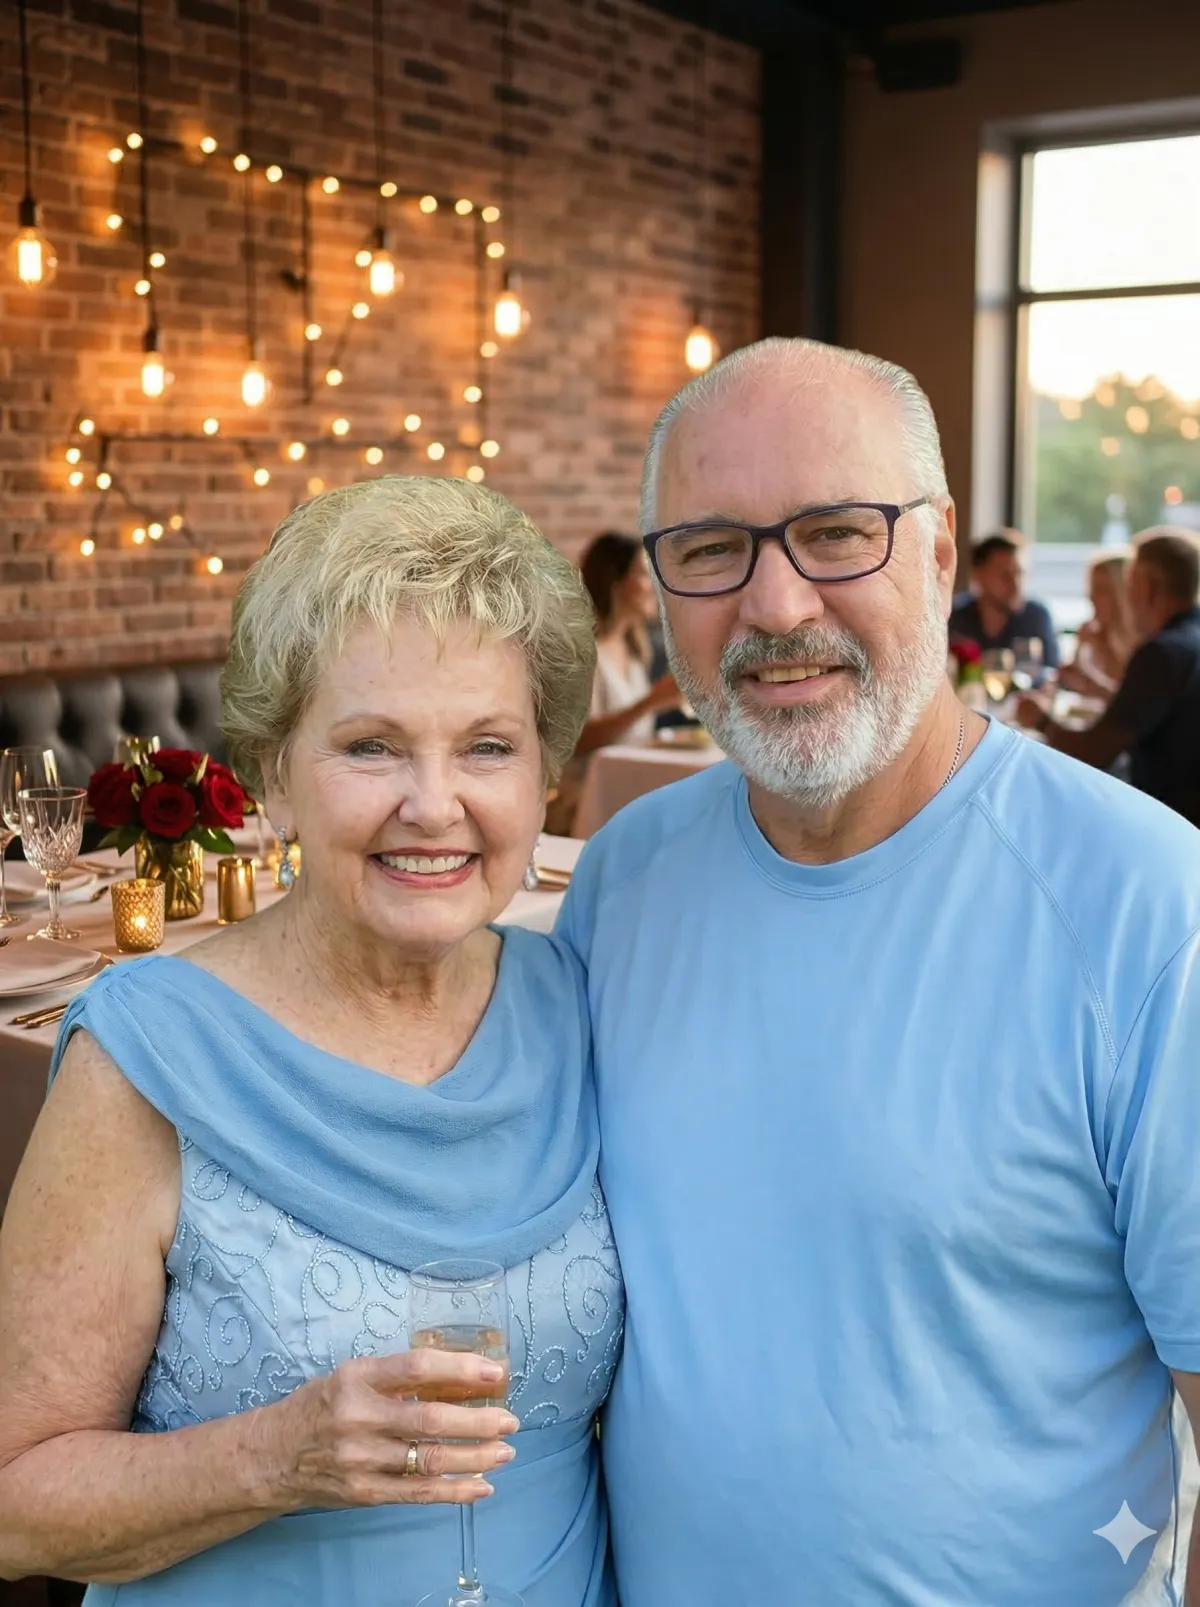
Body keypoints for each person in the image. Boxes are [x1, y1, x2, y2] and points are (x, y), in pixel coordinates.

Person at [556, 336, 1200, 1607]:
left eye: (838, 531)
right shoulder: (620, 881)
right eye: (708, 548)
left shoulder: (1145, 901)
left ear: (944, 551)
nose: (777, 604)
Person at [0, 477, 624, 1606]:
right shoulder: (145, 1059)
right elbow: (13, 1500)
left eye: (486, 746)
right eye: (373, 746)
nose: (434, 805)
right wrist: (271, 1459)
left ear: (545, 775)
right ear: (276, 774)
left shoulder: (580, 1003)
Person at [1018, 526, 1200, 827]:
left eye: (1131, 583)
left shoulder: (1162, 653)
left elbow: (1093, 753)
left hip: (1169, 821)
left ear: (1148, 587)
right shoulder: (1187, 641)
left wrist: (1040, 719)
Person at [545, 532, 681, 834]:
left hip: (628, 792)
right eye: (644, 575)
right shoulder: (580, 652)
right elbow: (576, 741)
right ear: (615, 582)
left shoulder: (634, 649)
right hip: (585, 801)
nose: (654, 586)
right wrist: (651, 703)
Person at [948, 528, 1060, 669]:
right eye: (1005, 575)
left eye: (1020, 574)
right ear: (979, 575)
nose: (1016, 585)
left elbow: (1051, 674)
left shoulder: (1036, 617)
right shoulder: (953, 618)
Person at [1058, 551, 1138, 701]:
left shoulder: (1144, 644)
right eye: (1091, 588)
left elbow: (1129, 704)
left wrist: (1104, 649)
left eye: (1101, 589)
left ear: (1121, 593)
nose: (1091, 597)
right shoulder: (1091, 636)